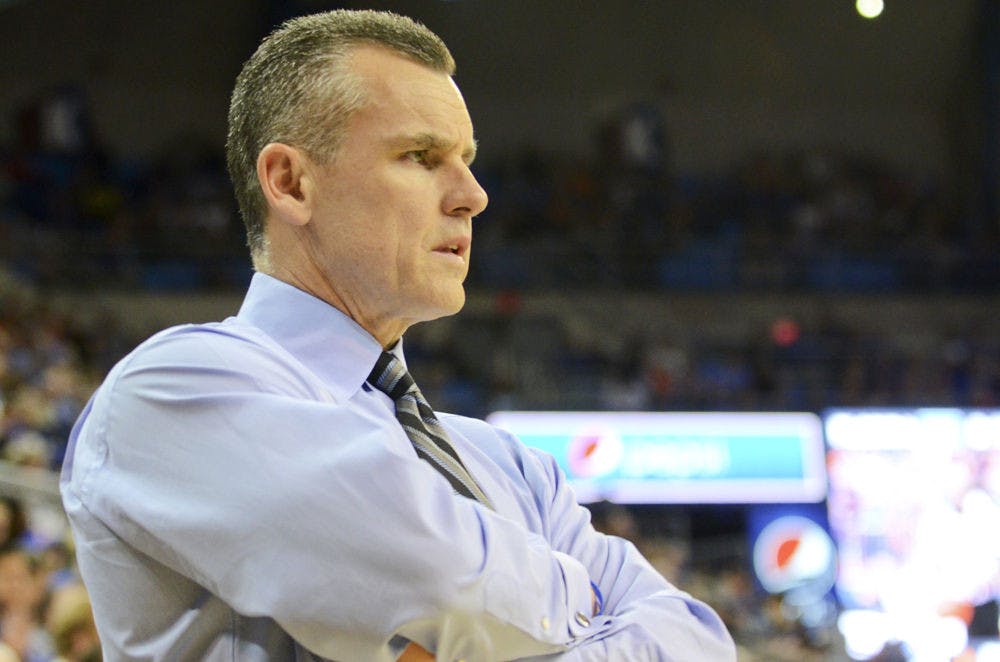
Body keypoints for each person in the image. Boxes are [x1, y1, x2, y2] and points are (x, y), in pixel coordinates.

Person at [60, 9, 736, 661]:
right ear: (291, 183)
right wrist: (582, 601)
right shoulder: (175, 390)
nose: (472, 194)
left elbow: (696, 640)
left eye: (467, 158)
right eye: (421, 155)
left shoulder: (514, 467)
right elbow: (453, 596)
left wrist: (489, 633)